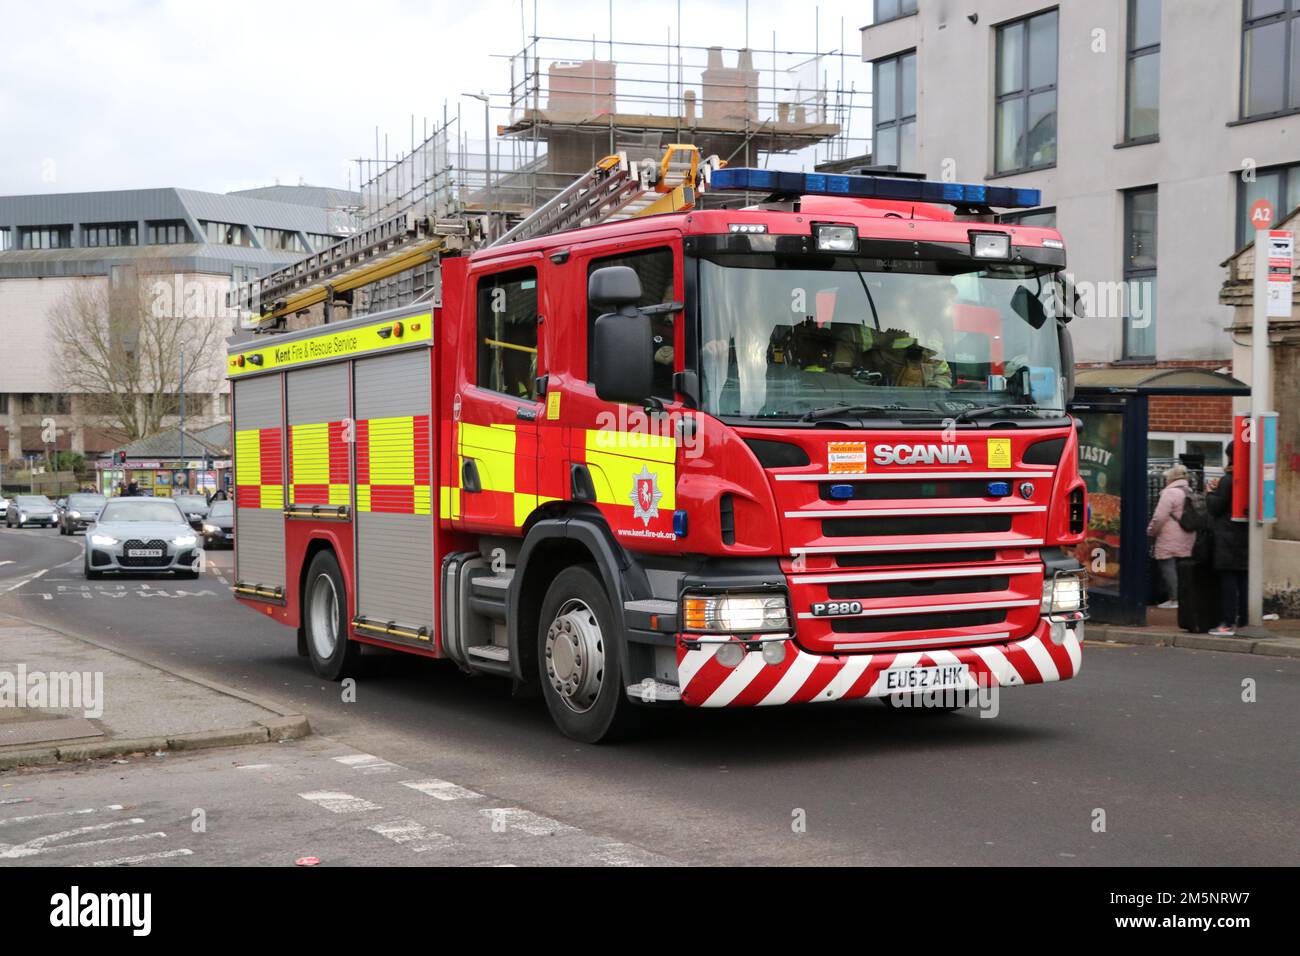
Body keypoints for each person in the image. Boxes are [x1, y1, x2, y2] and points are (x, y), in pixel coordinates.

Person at [1206, 442, 1248, 636]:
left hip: (1227, 537)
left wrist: (1210, 493)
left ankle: (1228, 622)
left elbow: (1216, 507)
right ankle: (1244, 619)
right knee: (1243, 580)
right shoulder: (1249, 478)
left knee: (1228, 582)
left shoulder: (1228, 480)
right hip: (1244, 537)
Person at [1146, 464, 1196, 609]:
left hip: (1170, 536)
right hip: (1187, 534)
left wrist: (1151, 531)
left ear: (1170, 478)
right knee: (1182, 570)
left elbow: (1159, 517)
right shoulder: (1188, 491)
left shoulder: (1170, 493)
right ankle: (1184, 598)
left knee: (1168, 567)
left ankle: (1174, 598)